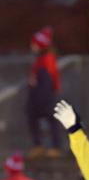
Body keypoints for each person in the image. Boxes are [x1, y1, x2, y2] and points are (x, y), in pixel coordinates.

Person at [26, 27, 61, 158]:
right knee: (38, 120)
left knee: (51, 121)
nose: (31, 46)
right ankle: (40, 145)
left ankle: (54, 147)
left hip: (44, 98)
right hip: (42, 97)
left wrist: (36, 91)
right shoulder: (43, 59)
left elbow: (46, 82)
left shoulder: (46, 61)